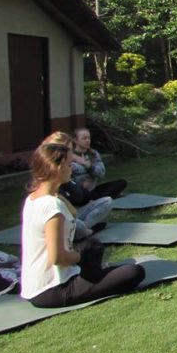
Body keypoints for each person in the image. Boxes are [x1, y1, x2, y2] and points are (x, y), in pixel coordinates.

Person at [20, 135, 145, 308]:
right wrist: (81, 258)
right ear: (55, 168)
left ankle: (95, 274)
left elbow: (71, 212)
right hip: (53, 289)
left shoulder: (35, 198)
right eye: (69, 165)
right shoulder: (51, 207)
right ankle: (96, 276)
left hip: (37, 287)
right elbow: (58, 258)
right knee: (134, 272)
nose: (71, 169)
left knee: (93, 246)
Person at [43, 132, 113, 240]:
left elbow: (79, 195)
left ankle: (82, 230)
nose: (72, 155)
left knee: (107, 201)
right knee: (77, 224)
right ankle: (84, 231)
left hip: (75, 209)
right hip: (60, 221)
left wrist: (88, 166)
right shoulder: (50, 183)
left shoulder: (91, 155)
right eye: (69, 150)